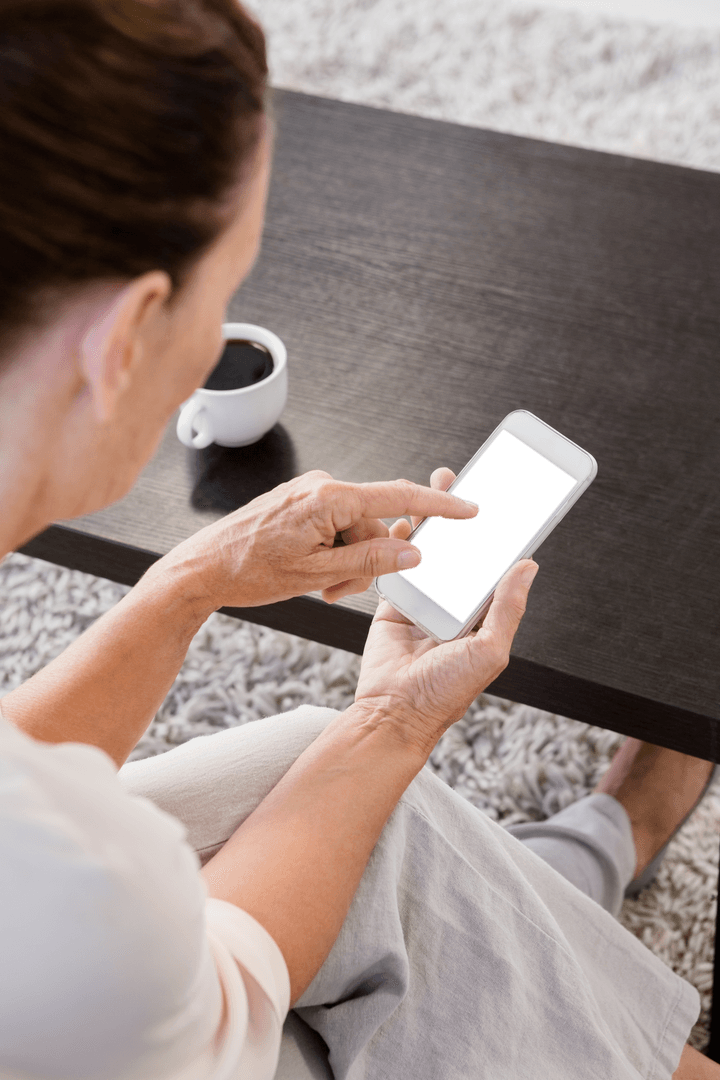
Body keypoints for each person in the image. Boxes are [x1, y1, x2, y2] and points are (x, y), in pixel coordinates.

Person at [0, 0, 716, 1077]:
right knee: (388, 826)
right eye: (227, 290)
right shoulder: (81, 906)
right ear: (129, 335)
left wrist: (188, 583)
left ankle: (586, 860)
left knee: (320, 773)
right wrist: (387, 720)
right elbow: (224, 997)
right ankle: (605, 895)